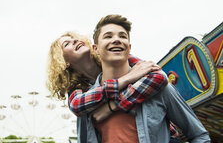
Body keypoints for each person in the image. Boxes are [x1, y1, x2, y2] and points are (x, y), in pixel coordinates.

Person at [86, 15, 209, 142]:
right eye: (108, 36)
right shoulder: (88, 102)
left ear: (129, 48)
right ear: (95, 49)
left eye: (122, 36)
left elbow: (199, 135)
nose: (117, 40)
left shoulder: (159, 88)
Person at [47, 31, 178, 143]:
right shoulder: (78, 88)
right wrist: (127, 79)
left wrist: (112, 106)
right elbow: (76, 105)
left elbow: (159, 76)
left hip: (162, 136)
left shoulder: (116, 58)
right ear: (65, 62)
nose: (75, 40)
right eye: (67, 44)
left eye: (73, 38)